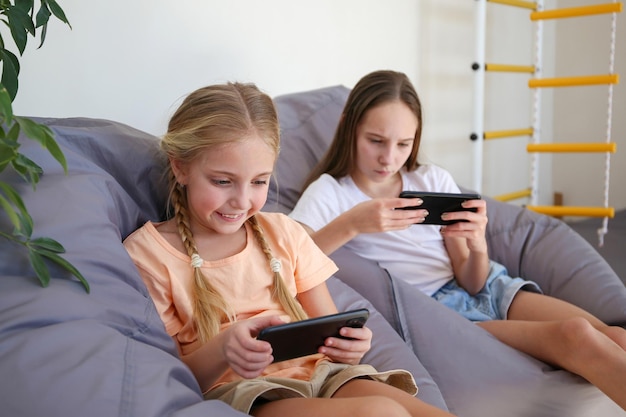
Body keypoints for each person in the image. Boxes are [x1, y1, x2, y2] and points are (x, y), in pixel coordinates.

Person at [289, 70, 626, 410]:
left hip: (488, 286)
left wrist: (477, 243)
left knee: (615, 336)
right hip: (441, 316)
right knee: (576, 335)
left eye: (403, 144)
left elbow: (472, 279)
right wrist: (352, 224)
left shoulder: (431, 178)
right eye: (376, 141)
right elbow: (285, 262)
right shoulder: (330, 193)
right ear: (349, 127)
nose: (388, 158)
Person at [123, 82, 454, 417]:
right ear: (180, 167)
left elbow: (329, 328)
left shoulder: (283, 233)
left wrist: (351, 346)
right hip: (248, 392)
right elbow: (165, 378)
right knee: (381, 413)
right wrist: (224, 348)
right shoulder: (150, 255)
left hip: (323, 375)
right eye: (222, 181)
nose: (241, 201)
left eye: (259, 182)